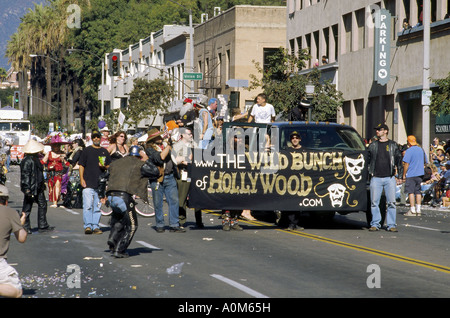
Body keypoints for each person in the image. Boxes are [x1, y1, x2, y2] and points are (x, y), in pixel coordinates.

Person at [99, 146, 160, 258]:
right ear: (139, 155)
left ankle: (113, 239)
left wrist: (101, 195)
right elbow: (155, 172)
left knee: (118, 219)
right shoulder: (139, 163)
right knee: (132, 225)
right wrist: (146, 159)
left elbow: (102, 178)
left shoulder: (116, 163)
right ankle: (119, 250)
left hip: (112, 196)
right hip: (124, 197)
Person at [145, 128, 185, 233]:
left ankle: (174, 224)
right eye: (157, 137)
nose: (160, 138)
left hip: (170, 176)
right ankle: (160, 224)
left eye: (160, 136)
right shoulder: (149, 149)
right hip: (157, 178)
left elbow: (175, 157)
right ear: (152, 140)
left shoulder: (166, 145)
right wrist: (169, 145)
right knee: (158, 203)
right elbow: (161, 157)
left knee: (174, 201)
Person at [367, 124, 403, 232]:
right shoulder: (373, 145)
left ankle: (391, 225)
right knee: (374, 202)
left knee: (391, 202)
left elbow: (399, 161)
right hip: (376, 177)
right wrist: (369, 174)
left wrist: (400, 176)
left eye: (380, 130)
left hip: (389, 177)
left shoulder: (393, 145)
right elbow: (367, 160)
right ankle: (375, 223)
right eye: (377, 130)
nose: (377, 131)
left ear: (386, 131)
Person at [79, 131, 111, 235]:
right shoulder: (86, 151)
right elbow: (81, 165)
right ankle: (88, 226)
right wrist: (81, 178)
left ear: (101, 138)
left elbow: (109, 166)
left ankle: (96, 226)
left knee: (97, 207)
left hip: (100, 183)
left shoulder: (104, 151)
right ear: (92, 139)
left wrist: (104, 166)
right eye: (94, 137)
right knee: (88, 205)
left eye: (98, 137)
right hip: (88, 182)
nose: (96, 139)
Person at [20, 139, 54, 234]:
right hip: (31, 186)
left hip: (38, 186)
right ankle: (25, 226)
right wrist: (26, 188)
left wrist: (42, 185)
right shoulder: (27, 161)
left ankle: (42, 225)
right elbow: (25, 175)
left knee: (42, 205)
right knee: (27, 207)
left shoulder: (35, 160)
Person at [173, 127, 204, 228]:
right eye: (189, 134)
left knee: (197, 196)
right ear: (182, 135)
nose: (191, 135)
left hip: (194, 173)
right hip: (183, 172)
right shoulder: (177, 146)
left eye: (191, 134)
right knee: (182, 198)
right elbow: (175, 160)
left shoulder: (194, 145)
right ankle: (181, 220)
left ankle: (199, 221)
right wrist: (185, 159)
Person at [0, 185, 27, 298]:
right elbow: (21, 238)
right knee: (17, 291)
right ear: (6, 201)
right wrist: (20, 223)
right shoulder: (10, 212)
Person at [402, 135, 428, 216]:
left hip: (411, 174)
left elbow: (406, 163)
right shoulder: (421, 150)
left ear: (408, 142)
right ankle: (419, 209)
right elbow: (425, 161)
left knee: (411, 192)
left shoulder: (409, 150)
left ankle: (412, 209)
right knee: (418, 191)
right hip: (420, 173)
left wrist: (404, 174)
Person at [42, 136, 70, 207]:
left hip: (58, 173)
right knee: (51, 187)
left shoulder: (62, 154)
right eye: (55, 145)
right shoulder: (49, 153)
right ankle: (55, 200)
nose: (56, 147)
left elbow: (67, 164)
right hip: (50, 173)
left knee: (57, 186)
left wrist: (64, 160)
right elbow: (43, 161)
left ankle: (55, 202)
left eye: (58, 146)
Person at [285, 131, 304, 231]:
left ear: (300, 139)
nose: (295, 139)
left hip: (302, 181)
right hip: (290, 182)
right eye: (293, 138)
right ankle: (291, 224)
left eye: (297, 137)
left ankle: (295, 223)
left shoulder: (305, 151)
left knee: (299, 204)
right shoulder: (287, 151)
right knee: (291, 203)